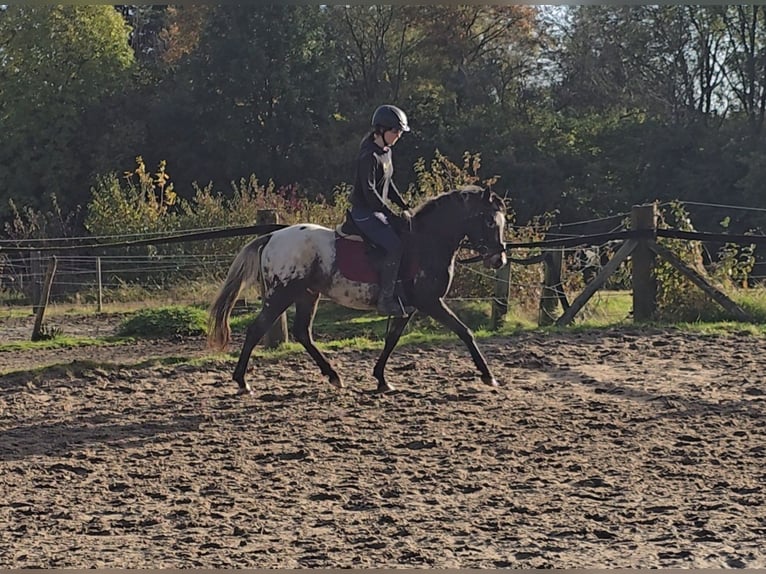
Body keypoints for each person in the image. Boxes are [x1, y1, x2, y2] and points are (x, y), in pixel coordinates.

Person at [349, 104, 414, 317]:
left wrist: (404, 205)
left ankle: (402, 292)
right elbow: (368, 191)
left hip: (377, 210)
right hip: (364, 212)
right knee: (395, 246)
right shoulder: (368, 156)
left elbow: (388, 183)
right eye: (395, 131)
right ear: (380, 130)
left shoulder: (386, 152)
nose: (398, 136)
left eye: (399, 132)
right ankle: (386, 301)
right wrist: (390, 214)